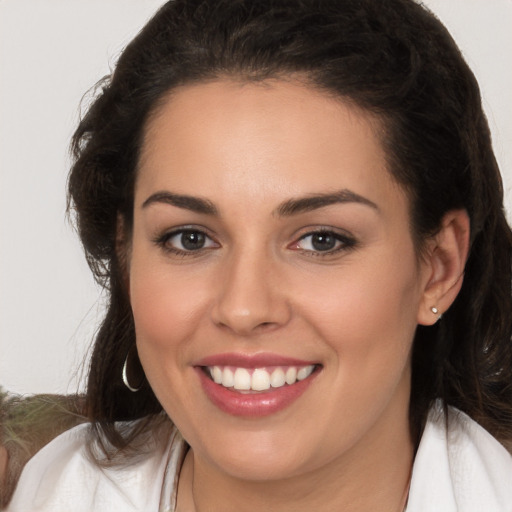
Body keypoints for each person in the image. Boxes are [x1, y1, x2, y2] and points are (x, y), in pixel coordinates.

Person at [5, 0, 512, 510]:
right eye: (190, 238)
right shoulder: (53, 492)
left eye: (321, 239)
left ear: (438, 268)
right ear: (126, 253)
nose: (244, 308)